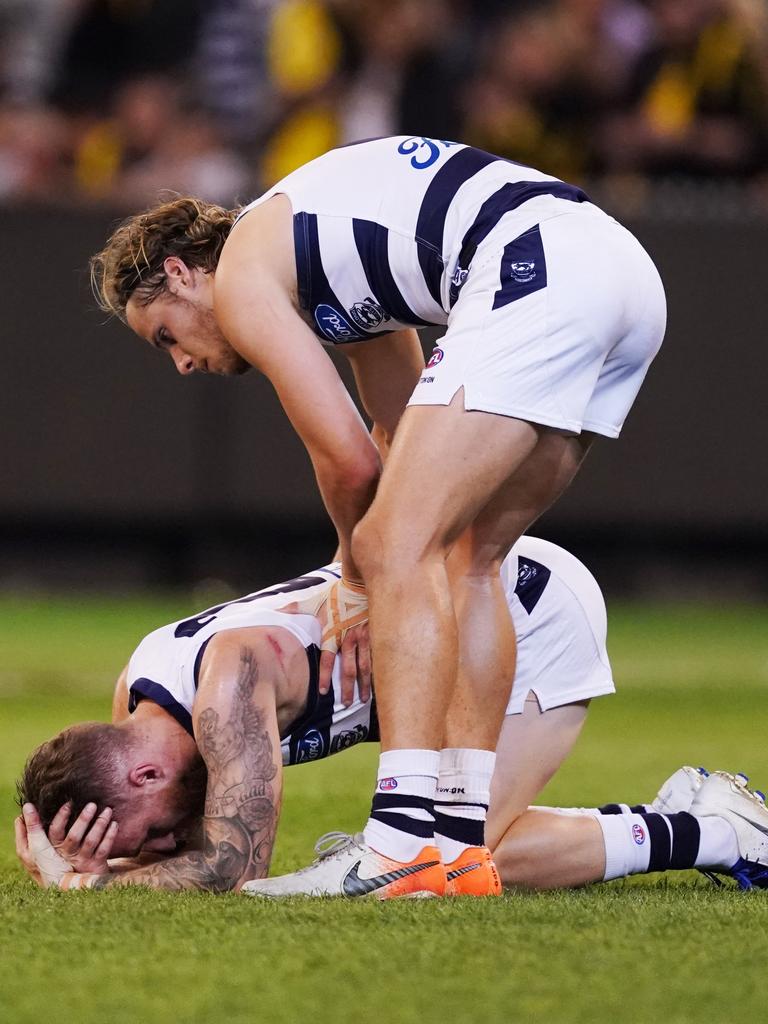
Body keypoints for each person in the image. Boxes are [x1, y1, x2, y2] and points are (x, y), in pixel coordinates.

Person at [90, 135, 667, 895]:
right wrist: (389, 570)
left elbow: (351, 462)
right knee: (470, 554)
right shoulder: (327, 261)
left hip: (539, 265)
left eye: (166, 333)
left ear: (181, 273)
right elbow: (399, 427)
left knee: (394, 544)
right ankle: (457, 848)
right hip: (620, 275)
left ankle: (397, 847)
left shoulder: (240, 276)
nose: (182, 362)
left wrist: (359, 583)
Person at [17, 538, 768, 895]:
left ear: (143, 771)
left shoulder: (230, 681)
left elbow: (233, 865)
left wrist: (89, 885)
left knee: (447, 863)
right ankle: (697, 821)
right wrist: (109, 855)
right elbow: (196, 850)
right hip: (455, 628)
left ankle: (719, 830)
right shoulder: (139, 707)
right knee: (431, 858)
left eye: (148, 833)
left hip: (520, 613)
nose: (161, 843)